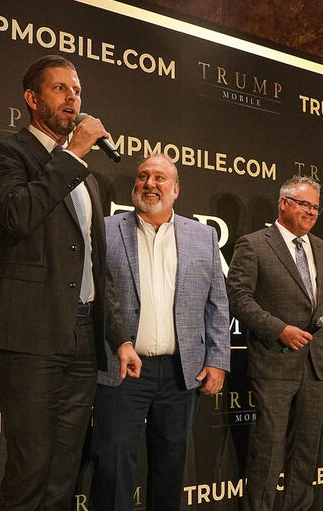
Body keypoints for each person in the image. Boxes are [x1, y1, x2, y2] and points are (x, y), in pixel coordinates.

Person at [0, 54, 141, 510]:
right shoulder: (6, 152)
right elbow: (18, 214)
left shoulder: (94, 180)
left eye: (77, 90)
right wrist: (71, 155)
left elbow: (96, 268)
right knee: (31, 468)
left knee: (66, 470)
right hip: (28, 334)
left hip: (82, 335)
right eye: (60, 88)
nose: (73, 98)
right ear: (32, 98)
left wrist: (119, 338)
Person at [90, 153, 230, 511]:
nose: (149, 184)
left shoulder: (203, 236)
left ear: (176, 189)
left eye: (159, 178)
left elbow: (217, 303)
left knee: (170, 467)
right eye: (143, 176)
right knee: (113, 465)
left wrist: (217, 359)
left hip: (181, 372)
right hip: (120, 369)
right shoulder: (105, 230)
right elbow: (97, 298)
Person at [226, 175, 323, 511]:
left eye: (315, 207)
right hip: (274, 363)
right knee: (269, 448)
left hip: (318, 366)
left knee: (307, 449)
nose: (311, 212)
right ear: (283, 203)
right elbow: (238, 297)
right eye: (304, 204)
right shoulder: (254, 244)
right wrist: (279, 329)